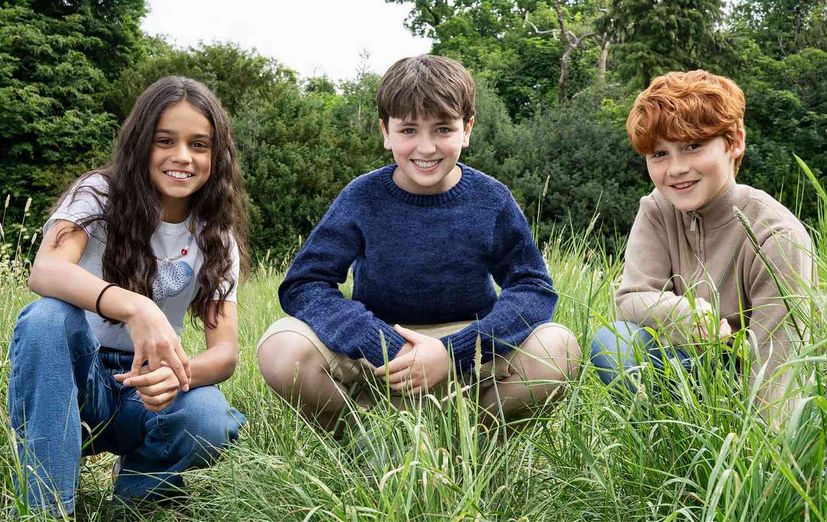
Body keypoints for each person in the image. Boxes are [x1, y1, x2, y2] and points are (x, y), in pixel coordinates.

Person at [257, 55, 581, 433]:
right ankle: (369, 437)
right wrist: (382, 343)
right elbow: (304, 284)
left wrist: (453, 353)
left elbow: (532, 287)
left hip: (470, 353)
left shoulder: (491, 199)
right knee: (280, 348)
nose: (425, 148)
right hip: (376, 354)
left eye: (443, 129)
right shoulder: (362, 197)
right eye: (408, 130)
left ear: (467, 129)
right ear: (385, 131)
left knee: (560, 348)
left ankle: (469, 442)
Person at [7, 76, 249, 515]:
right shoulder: (98, 193)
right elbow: (45, 270)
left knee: (209, 417)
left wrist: (180, 375)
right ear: (141, 143)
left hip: (146, 387)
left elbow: (226, 353)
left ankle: (132, 503)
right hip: (75, 373)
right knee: (46, 318)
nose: (182, 157)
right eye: (165, 141)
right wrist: (136, 306)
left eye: (199, 144)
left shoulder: (217, 236)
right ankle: (47, 508)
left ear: (218, 155)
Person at [590, 70, 813, 423]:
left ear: (735, 142)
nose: (677, 169)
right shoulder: (657, 210)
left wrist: (764, 459)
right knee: (612, 341)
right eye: (660, 154)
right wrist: (689, 315)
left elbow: (778, 361)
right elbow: (630, 297)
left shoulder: (777, 233)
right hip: (681, 366)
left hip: (748, 379)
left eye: (694, 146)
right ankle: (664, 448)